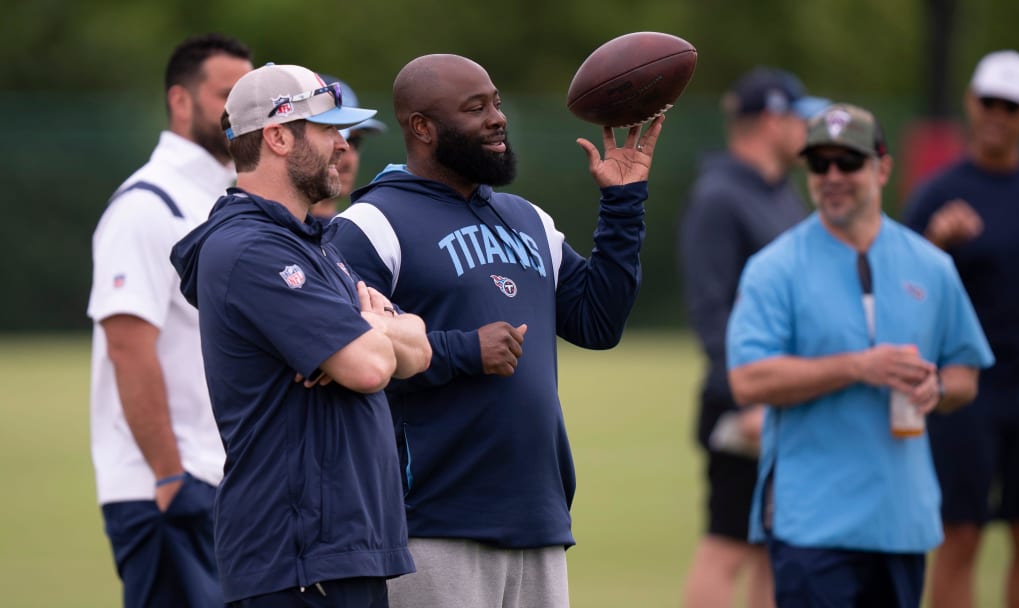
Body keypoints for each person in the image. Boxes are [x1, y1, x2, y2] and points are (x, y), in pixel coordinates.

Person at [327, 53, 665, 607]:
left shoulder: (526, 218)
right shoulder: (370, 225)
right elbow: (343, 356)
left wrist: (623, 204)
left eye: (497, 102)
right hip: (432, 521)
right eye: (475, 107)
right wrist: (463, 352)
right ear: (422, 127)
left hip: (538, 518)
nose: (497, 118)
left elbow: (598, 323)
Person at [169, 63, 432, 607]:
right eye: (328, 129)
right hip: (297, 559)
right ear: (278, 135)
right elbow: (372, 368)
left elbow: (420, 348)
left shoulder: (312, 244)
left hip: (338, 551)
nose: (342, 145)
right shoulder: (250, 250)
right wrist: (374, 330)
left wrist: (369, 328)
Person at [727, 103, 995, 606]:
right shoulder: (773, 268)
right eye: (819, 164)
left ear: (883, 167)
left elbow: (965, 372)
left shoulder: (931, 266)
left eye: (848, 162)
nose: (832, 177)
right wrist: (857, 366)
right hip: (811, 522)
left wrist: (937, 388)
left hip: (901, 522)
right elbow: (748, 380)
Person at [903, 50, 1019, 608]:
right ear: (970, 104)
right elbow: (902, 285)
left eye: (1013, 105)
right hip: (963, 387)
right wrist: (936, 242)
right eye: (989, 101)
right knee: (959, 535)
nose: (998, 113)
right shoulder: (937, 192)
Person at [86, 32, 252, 607]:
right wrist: (169, 478)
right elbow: (128, 347)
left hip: (220, 485)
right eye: (227, 94)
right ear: (181, 101)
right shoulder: (145, 205)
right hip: (167, 490)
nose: (239, 113)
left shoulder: (222, 199)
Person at [678, 67, 827, 608]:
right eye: (800, 119)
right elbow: (711, 310)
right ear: (772, 119)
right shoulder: (720, 197)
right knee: (729, 545)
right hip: (745, 400)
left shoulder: (780, 193)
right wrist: (748, 396)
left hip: (790, 395)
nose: (807, 132)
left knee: (772, 548)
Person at [310, 74, 387, 222]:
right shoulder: (270, 231)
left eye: (356, 142)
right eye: (332, 135)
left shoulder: (353, 230)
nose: (350, 158)